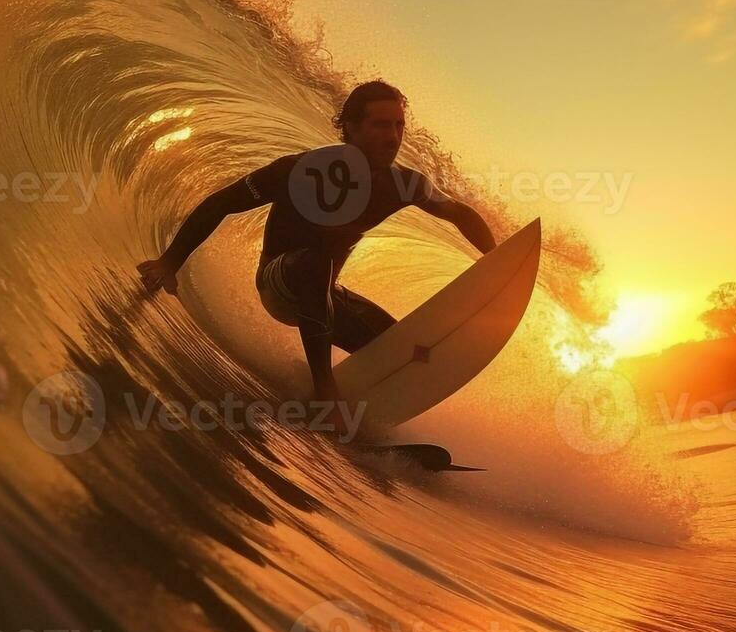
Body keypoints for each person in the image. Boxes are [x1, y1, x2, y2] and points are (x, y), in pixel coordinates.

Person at [136, 81, 496, 411]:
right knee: (315, 263)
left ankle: (351, 410)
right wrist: (169, 262)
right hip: (281, 283)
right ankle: (325, 389)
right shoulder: (300, 170)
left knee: (408, 353)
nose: (393, 137)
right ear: (351, 128)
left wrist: (496, 260)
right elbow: (222, 203)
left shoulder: (405, 185)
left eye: (399, 126)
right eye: (381, 125)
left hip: (326, 295)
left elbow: (459, 214)